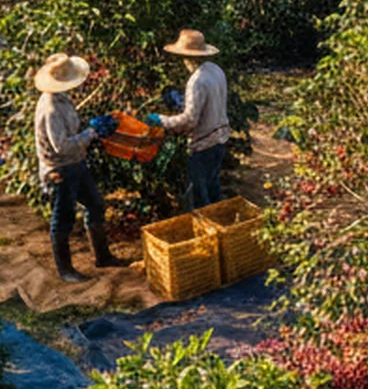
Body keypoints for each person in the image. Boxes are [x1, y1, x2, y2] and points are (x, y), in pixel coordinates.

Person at [33, 52, 122, 283]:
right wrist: (90, 133)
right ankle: (65, 270)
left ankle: (102, 256)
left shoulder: (61, 98)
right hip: (60, 168)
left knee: (95, 204)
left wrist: (91, 126)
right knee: (63, 216)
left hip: (75, 163)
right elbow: (61, 145)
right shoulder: (51, 106)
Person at [143, 29, 229, 211]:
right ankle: (221, 227)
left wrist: (161, 120)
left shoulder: (196, 81)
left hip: (203, 145)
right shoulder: (216, 70)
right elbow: (211, 104)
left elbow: (189, 121)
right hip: (220, 139)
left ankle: (207, 233)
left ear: (186, 57)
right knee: (213, 187)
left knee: (199, 196)